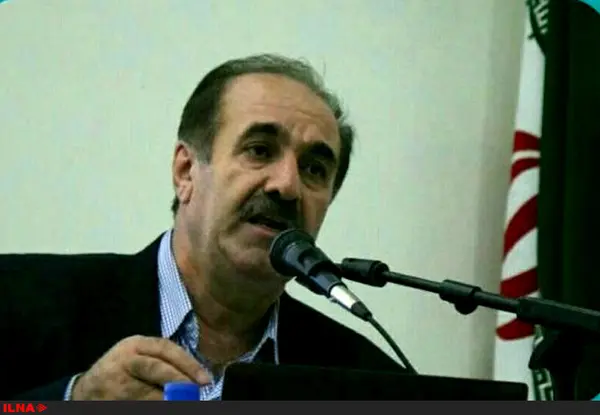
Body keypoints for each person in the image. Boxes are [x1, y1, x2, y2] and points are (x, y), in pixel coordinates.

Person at [0, 54, 406, 401]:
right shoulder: (16, 299)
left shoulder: (369, 381)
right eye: (259, 150)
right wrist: (73, 400)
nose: (287, 185)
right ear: (186, 171)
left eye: (314, 169)